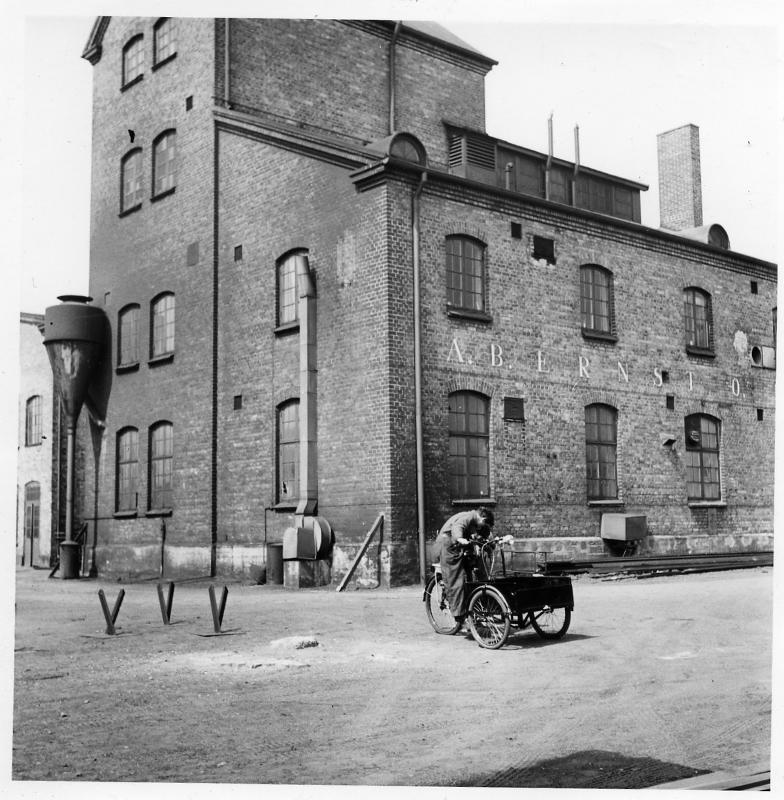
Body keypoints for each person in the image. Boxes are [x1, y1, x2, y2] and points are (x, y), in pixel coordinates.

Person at [435, 506, 495, 627]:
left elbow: (485, 535)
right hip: (449, 546)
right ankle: (459, 617)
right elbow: (458, 526)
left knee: (477, 571)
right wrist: (460, 538)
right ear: (482, 519)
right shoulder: (469, 517)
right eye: (483, 524)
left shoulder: (476, 522)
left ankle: (475, 609)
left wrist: (491, 545)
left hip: (460, 546)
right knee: (456, 579)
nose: (481, 528)